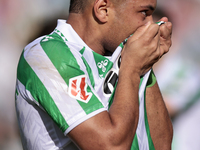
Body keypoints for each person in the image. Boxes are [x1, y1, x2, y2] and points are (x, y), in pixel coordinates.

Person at [15, 0, 173, 149]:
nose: (151, 25)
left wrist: (145, 64)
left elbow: (161, 146)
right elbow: (111, 147)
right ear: (102, 10)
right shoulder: (46, 54)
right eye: (144, 13)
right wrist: (132, 69)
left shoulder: (126, 58)